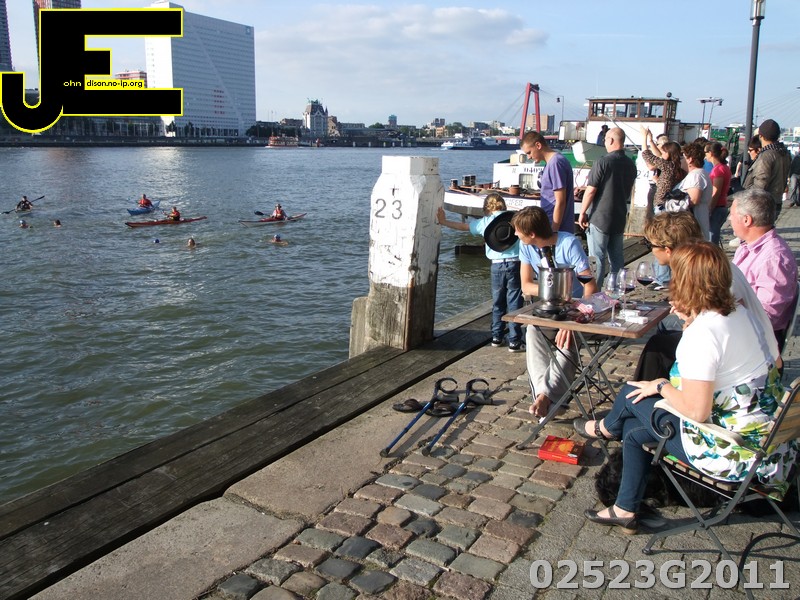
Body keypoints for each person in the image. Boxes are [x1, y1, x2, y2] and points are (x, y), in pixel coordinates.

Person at [576, 241, 796, 534]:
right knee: (634, 430)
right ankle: (625, 508)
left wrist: (661, 386)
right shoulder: (741, 315)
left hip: (737, 455)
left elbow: (697, 411)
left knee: (631, 395)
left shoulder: (703, 334)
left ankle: (606, 428)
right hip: (773, 449)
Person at [633, 210, 778, 382]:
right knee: (664, 331)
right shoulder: (708, 261)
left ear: (668, 250)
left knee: (657, 348)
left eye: (650, 245)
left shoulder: (707, 273)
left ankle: (649, 391)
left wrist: (691, 321)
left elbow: (729, 321)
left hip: (753, 367)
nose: (650, 250)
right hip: (757, 355)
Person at [510, 206, 597, 418]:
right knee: (532, 331)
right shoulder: (526, 248)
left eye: (518, 231)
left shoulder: (569, 244)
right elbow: (525, 285)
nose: (515, 234)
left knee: (566, 341)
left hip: (576, 311)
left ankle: (544, 398)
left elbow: (590, 286)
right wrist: (556, 288)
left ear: (532, 234)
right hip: (549, 311)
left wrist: (575, 320)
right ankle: (545, 396)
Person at [438, 193, 524, 352]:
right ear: (503, 205)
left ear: (486, 208)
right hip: (515, 263)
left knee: (498, 302)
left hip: (496, 266)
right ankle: (514, 341)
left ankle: (497, 337)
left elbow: (463, 227)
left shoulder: (485, 222)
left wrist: (444, 221)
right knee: (514, 301)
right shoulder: (515, 219)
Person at [730, 188, 798, 352]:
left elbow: (766, 316)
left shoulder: (774, 258)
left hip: (755, 340)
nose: (729, 219)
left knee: (669, 343)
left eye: (731, 215)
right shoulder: (747, 246)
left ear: (747, 220)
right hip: (737, 327)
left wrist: (720, 313)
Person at [577, 126, 637, 287]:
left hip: (600, 217)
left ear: (610, 140)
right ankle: (617, 290)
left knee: (596, 259)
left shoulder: (602, 162)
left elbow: (591, 191)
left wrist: (582, 212)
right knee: (617, 259)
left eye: (605, 139)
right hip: (619, 216)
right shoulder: (631, 164)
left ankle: (594, 293)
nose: (604, 142)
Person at [520, 132, 575, 233]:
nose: (529, 157)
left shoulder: (555, 163)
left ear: (538, 145)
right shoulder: (551, 163)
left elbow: (560, 201)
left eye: (529, 152)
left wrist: (554, 231)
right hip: (551, 224)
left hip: (558, 228)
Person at [744, 119, 792, 219]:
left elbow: (760, 184)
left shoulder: (766, 156)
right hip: (776, 201)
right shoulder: (784, 153)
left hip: (762, 205)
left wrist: (744, 199)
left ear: (761, 136)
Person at [677, 143, 712, 241]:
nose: (680, 160)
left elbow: (694, 199)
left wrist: (673, 204)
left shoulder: (696, 175)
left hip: (693, 225)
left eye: (682, 157)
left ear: (690, 159)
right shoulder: (697, 174)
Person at [705, 141, 732, 245]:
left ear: (711, 153)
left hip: (717, 206)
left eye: (706, 152)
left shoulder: (718, 170)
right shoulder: (724, 167)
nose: (705, 155)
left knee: (712, 237)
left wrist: (710, 209)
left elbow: (716, 192)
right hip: (722, 205)